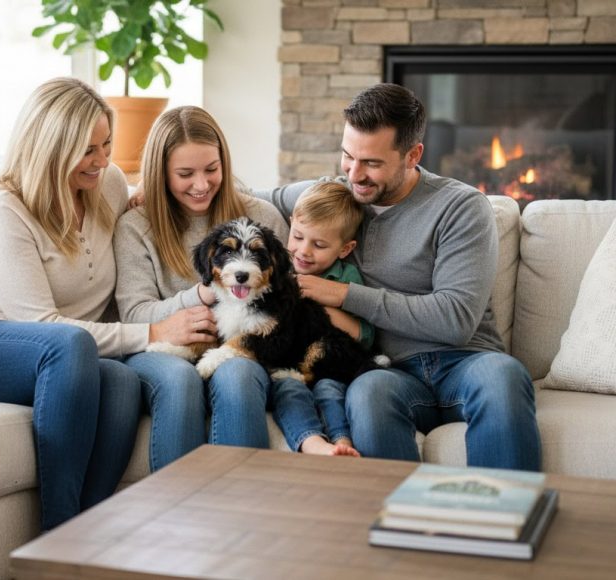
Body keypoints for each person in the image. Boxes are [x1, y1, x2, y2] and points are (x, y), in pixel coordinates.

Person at [0, 78, 185, 531]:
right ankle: (56, 531)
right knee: (67, 343)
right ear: (51, 148)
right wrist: (153, 333)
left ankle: (85, 533)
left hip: (64, 354)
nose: (103, 160)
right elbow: (41, 324)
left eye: (107, 145)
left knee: (121, 381)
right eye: (88, 150)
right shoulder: (5, 210)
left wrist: (152, 196)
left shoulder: (107, 185)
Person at [259, 83, 542, 471]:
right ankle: (399, 509)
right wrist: (157, 191)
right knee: (367, 394)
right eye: (347, 156)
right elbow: (247, 198)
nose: (354, 174)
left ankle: (502, 508)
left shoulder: (460, 207)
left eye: (371, 163)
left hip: (466, 363)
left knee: (503, 377)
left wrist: (343, 294)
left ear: (413, 155)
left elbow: (455, 320)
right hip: (390, 370)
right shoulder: (335, 199)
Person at [114, 105, 290, 472]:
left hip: (239, 346)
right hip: (164, 351)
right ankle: (175, 503)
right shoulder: (135, 227)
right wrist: (198, 297)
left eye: (211, 169)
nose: (201, 184)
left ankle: (241, 502)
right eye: (185, 174)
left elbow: (285, 298)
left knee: (238, 375)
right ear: (160, 173)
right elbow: (133, 313)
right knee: (178, 380)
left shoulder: (262, 217)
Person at [272, 180, 373, 458]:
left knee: (330, 390)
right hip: (291, 366)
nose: (304, 251)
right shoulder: (278, 270)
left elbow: (364, 335)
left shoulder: (346, 278)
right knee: (288, 390)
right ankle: (312, 442)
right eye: (298, 236)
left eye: (318, 244)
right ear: (290, 224)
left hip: (331, 364)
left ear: (345, 249)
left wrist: (319, 304)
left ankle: (341, 441)